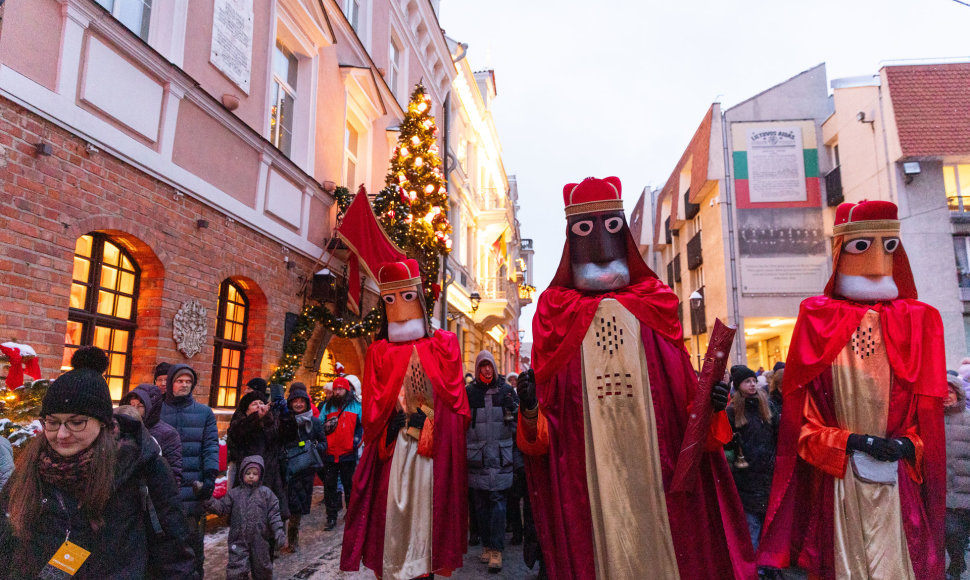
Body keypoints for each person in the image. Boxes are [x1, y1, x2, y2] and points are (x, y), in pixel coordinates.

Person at [517, 176, 753, 579]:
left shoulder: (655, 305)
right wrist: (529, 409)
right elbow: (545, 437)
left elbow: (687, 412)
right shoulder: (555, 315)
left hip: (657, 478)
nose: (599, 242)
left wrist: (712, 405)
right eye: (585, 229)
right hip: (588, 486)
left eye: (610, 227)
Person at [758, 200, 946, 579]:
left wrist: (909, 446)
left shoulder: (919, 320)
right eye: (862, 246)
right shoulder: (817, 320)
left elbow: (929, 419)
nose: (878, 263)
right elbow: (803, 424)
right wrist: (854, 443)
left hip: (898, 485)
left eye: (889, 246)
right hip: (840, 485)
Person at [0, 349, 195, 579]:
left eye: (77, 422)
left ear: (103, 423)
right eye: (52, 422)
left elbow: (174, 556)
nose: (61, 434)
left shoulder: (140, 469)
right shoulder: (30, 470)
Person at [341, 259, 470, 579]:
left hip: (429, 447)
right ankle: (398, 567)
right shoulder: (379, 351)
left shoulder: (442, 345)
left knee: (426, 512)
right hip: (396, 449)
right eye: (390, 299)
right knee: (393, 514)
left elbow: (454, 403)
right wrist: (386, 430)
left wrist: (428, 422)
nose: (398, 306)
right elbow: (373, 406)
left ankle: (422, 568)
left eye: (407, 297)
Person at [160, 363, 219, 578]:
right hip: (164, 488)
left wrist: (210, 477)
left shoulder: (204, 413)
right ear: (170, 383)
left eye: (188, 382)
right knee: (164, 546)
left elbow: (210, 445)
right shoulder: (158, 409)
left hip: (193, 489)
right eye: (179, 381)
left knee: (193, 547)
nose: (184, 385)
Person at [466, 350, 518, 572]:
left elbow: (518, 425)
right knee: (481, 506)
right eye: (482, 366)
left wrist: (515, 411)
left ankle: (496, 550)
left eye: (489, 365)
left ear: (494, 367)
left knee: (498, 505)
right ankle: (487, 545)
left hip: (499, 456)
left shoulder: (506, 391)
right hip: (478, 458)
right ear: (477, 369)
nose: (486, 369)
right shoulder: (469, 392)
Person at [205, 455, 287, 580]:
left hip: (260, 540)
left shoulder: (266, 494)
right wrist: (207, 499)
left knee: (263, 570)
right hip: (238, 540)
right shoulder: (234, 494)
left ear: (260, 475)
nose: (251, 476)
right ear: (242, 474)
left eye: (255, 473)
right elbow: (222, 508)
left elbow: (274, 515)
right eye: (248, 473)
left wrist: (278, 531)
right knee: (236, 571)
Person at [725, 365, 779, 550]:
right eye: (747, 381)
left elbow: (777, 434)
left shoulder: (767, 406)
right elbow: (726, 445)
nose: (752, 384)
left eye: (754, 381)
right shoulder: (732, 412)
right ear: (738, 385)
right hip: (746, 477)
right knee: (752, 526)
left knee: (768, 525)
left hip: (767, 474)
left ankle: (767, 567)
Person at [227, 389, 289, 524]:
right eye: (254, 404)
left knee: (272, 521)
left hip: (271, 478)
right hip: (249, 478)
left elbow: (288, 435)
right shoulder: (240, 423)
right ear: (246, 409)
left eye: (262, 403)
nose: (259, 406)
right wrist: (256, 418)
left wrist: (285, 414)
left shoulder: (272, 422)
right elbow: (237, 434)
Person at [279, 382, 325, 552]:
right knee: (282, 505)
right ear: (290, 402)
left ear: (306, 402)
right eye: (295, 401)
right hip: (286, 469)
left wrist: (312, 447)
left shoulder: (314, 422)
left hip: (305, 470)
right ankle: (279, 539)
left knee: (297, 507)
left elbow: (323, 443)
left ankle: (293, 538)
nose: (298, 404)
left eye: (302, 401)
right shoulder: (284, 420)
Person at [320, 375, 362, 531]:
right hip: (330, 453)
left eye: (340, 389)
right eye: (335, 389)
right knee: (330, 486)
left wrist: (355, 442)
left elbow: (362, 426)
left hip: (348, 453)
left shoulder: (356, 406)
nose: (337, 392)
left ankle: (351, 514)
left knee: (348, 485)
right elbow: (320, 424)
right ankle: (331, 517)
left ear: (346, 390)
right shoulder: (328, 407)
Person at [123, 383, 183, 486]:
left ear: (150, 408)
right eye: (132, 405)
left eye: (140, 406)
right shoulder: (121, 427)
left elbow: (172, 474)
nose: (135, 409)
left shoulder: (167, 434)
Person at [945, 374, 970, 580]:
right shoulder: (932, 421)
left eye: (950, 391)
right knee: (950, 533)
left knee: (958, 535)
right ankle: (957, 564)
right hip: (946, 491)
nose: (946, 396)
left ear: (958, 394)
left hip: (965, 491)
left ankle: (957, 565)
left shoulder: (968, 420)